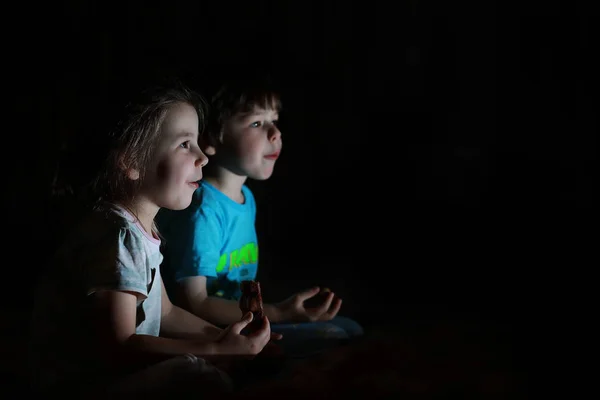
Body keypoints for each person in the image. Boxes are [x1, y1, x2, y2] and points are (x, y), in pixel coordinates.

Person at [28, 79, 278, 398]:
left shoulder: (138, 227)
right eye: (185, 144)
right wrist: (216, 349)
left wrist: (230, 341)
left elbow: (168, 313)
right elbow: (120, 346)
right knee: (203, 377)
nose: (202, 156)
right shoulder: (118, 235)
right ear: (131, 162)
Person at [157, 69, 363, 358]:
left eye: (274, 121)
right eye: (256, 122)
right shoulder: (203, 210)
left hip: (241, 326)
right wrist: (278, 312)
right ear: (212, 140)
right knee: (340, 338)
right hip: (213, 336)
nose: (275, 133)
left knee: (349, 329)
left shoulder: (245, 198)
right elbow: (194, 303)